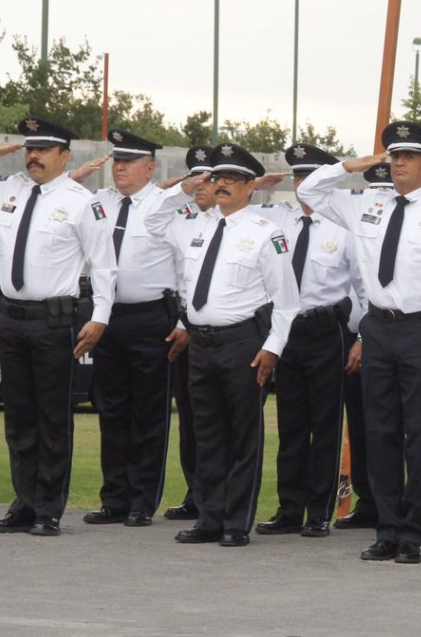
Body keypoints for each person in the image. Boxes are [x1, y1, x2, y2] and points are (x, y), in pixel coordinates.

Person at [295, 121, 421, 564]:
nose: (398, 164)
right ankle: (387, 529)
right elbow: (311, 192)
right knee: (380, 433)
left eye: (408, 157)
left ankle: (413, 532)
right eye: (393, 156)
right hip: (377, 328)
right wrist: (353, 164)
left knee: (418, 434)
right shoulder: (365, 203)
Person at [0, 117, 116, 536]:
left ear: (64, 156)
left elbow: (105, 265)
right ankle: (23, 503)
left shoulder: (81, 201)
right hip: (11, 318)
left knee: (52, 416)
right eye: (29, 149)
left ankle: (48, 509)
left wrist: (99, 317)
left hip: (54, 320)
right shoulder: (7, 189)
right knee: (19, 417)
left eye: (43, 150)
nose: (33, 157)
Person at [146, 142, 301, 548]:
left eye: (234, 179)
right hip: (201, 344)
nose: (223, 185)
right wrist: (185, 186)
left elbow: (286, 302)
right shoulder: (195, 225)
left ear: (252, 187)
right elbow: (150, 219)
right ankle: (209, 517)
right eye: (218, 178)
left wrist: (273, 348)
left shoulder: (266, 233)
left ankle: (236, 521)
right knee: (207, 434)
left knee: (242, 435)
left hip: (243, 343)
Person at [250, 144, 366, 538]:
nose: (301, 184)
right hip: (286, 331)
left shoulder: (343, 225)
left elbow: (363, 287)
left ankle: (319, 511)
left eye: (309, 176)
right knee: (291, 424)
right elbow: (227, 214)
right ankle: (289, 509)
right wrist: (256, 185)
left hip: (326, 330)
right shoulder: (276, 218)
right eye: (297, 176)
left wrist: (361, 337)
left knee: (327, 425)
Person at [80, 129, 188, 529]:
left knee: (149, 412)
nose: (119, 168)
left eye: (128, 162)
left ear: (150, 168)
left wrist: (182, 321)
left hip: (151, 318)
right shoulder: (98, 204)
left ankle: (143, 499)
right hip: (108, 318)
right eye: (116, 161)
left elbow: (186, 266)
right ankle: (115, 498)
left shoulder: (166, 206)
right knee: (112, 410)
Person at [334, 164, 392, 531]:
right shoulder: (359, 230)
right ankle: (368, 501)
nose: (381, 198)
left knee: (386, 427)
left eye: (387, 190)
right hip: (352, 336)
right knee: (359, 426)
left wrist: (362, 338)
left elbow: (371, 291)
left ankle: (388, 506)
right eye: (375, 191)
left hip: (377, 338)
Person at [163, 145, 215, 522]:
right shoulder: (180, 218)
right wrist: (175, 187)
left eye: (208, 178)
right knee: (191, 422)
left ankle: (218, 497)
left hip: (215, 329)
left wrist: (186, 325)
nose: (199, 185)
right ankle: (196, 493)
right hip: (184, 325)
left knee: (217, 422)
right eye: (194, 177)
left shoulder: (243, 222)